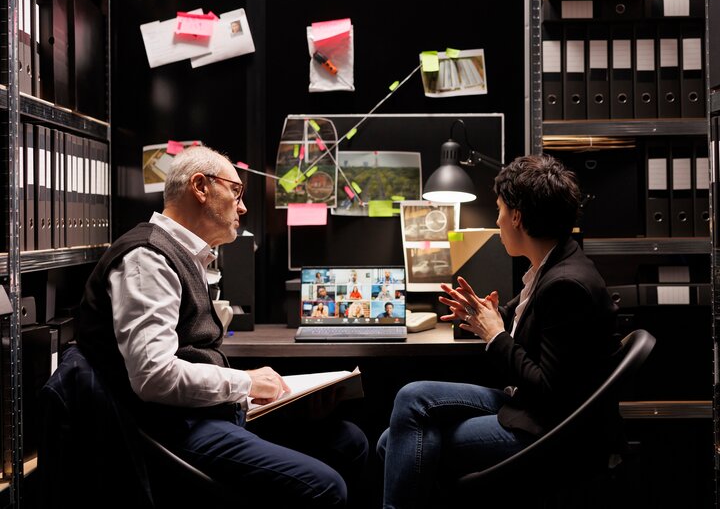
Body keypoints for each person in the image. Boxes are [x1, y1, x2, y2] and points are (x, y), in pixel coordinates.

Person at [76, 146, 368, 508]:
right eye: (236, 192)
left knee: (349, 440)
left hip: (199, 415)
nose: (242, 207)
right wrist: (246, 383)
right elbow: (154, 377)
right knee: (326, 487)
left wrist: (266, 398)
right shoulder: (147, 258)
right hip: (172, 429)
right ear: (200, 187)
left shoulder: (183, 254)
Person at [377, 154, 620, 508]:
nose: (498, 220)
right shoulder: (553, 265)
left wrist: (496, 335)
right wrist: (486, 314)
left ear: (517, 216)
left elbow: (548, 390)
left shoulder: (567, 284)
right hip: (531, 408)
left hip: (552, 430)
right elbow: (530, 318)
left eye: (500, 210)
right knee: (411, 400)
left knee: (395, 440)